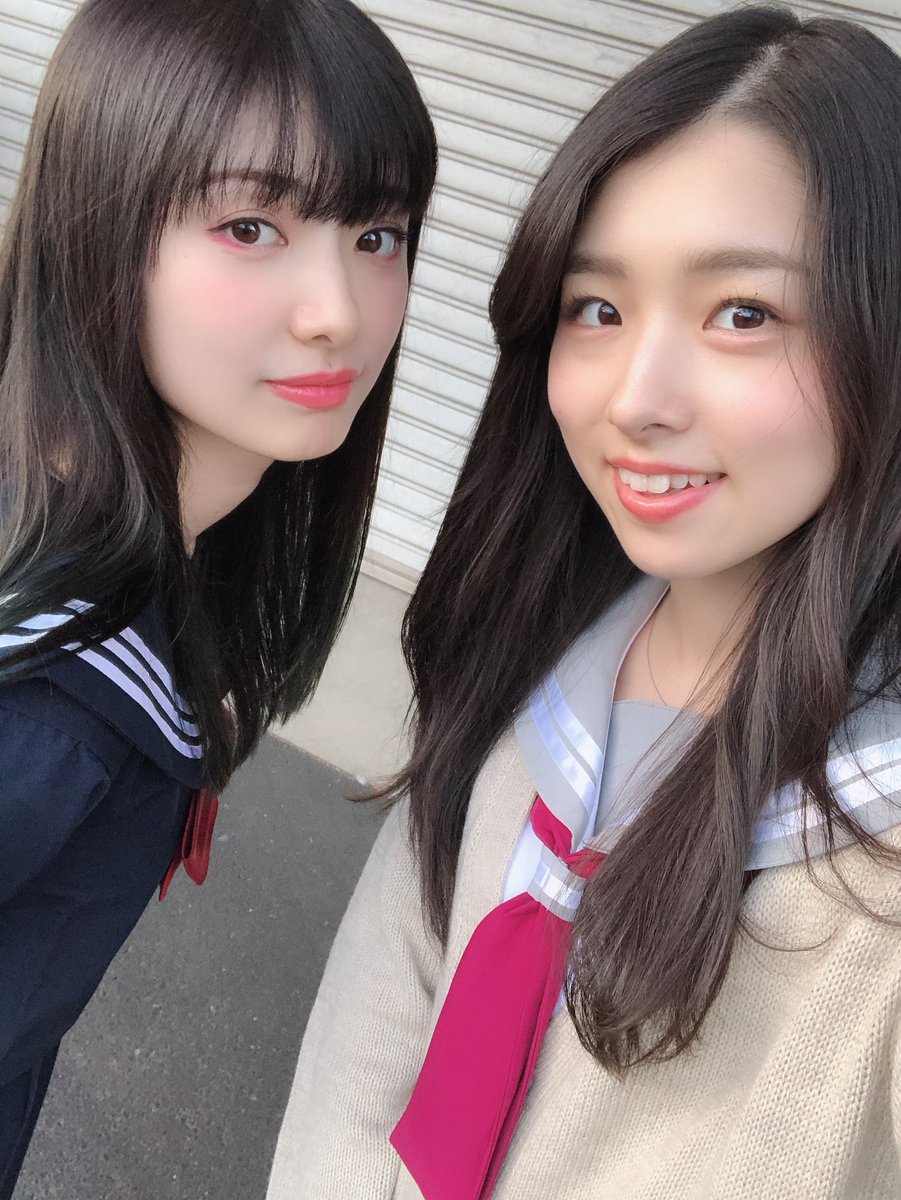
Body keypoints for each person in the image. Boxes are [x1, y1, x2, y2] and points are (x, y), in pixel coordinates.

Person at [266, 5, 901, 1199]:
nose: (634, 398)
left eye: (743, 313)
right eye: (596, 309)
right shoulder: (530, 662)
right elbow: (371, 1030)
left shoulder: (872, 868)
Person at [0, 0, 436, 1192]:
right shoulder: (43, 703)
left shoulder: (107, 529)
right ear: (99, 223)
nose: (337, 311)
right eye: (251, 225)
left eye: (378, 233)